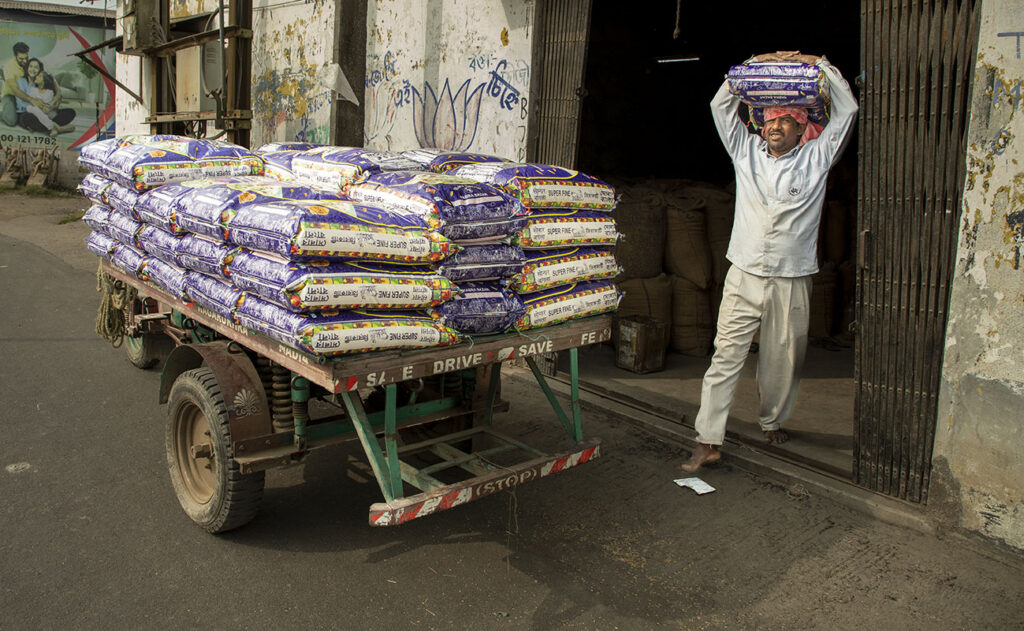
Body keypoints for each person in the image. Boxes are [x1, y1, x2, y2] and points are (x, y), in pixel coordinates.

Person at [678, 52, 859, 472]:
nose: (775, 127)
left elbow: (847, 109)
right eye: (770, 120)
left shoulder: (818, 157)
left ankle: (772, 418)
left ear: (801, 127)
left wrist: (821, 65)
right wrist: (754, 63)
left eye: (785, 121)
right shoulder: (746, 152)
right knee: (725, 355)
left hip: (792, 277)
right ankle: (707, 439)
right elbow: (720, 107)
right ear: (761, 124)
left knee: (783, 358)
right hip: (743, 272)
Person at [16, 58, 75, 136]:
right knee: (27, 118)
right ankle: (58, 127)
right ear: (27, 68)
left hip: (47, 114)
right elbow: (21, 105)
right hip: (29, 113)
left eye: (36, 67)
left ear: (40, 70)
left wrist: (51, 106)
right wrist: (36, 105)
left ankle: (45, 126)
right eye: (30, 66)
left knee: (70, 112)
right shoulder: (21, 81)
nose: (32, 69)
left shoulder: (44, 81)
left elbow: (58, 94)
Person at [1, 42, 39, 127]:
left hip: (26, 94)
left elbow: (44, 75)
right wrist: (32, 100)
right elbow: (15, 90)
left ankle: (17, 112)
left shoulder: (30, 63)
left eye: (26, 58)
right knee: (11, 121)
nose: (25, 61)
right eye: (21, 59)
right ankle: (4, 113)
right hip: (11, 95)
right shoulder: (9, 67)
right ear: (15, 56)